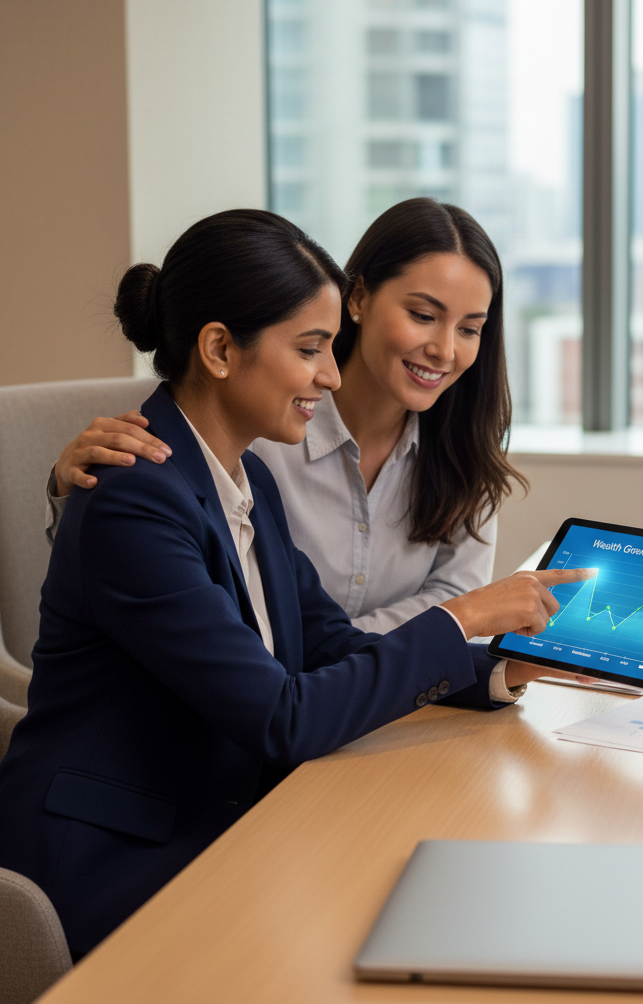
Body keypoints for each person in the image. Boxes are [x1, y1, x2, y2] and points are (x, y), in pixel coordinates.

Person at [0, 209, 592, 956]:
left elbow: (323, 642)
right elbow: (283, 716)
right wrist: (458, 620)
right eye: (311, 348)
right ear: (218, 349)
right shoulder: (135, 501)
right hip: (115, 862)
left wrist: (500, 668)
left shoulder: (243, 479)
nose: (331, 375)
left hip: (217, 817)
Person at [47, 199, 523, 633]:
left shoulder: (466, 449)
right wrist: (75, 491)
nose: (445, 350)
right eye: (423, 315)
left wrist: (339, 655)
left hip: (360, 699)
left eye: (470, 329)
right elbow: (156, 565)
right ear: (358, 298)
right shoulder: (255, 426)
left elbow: (454, 599)